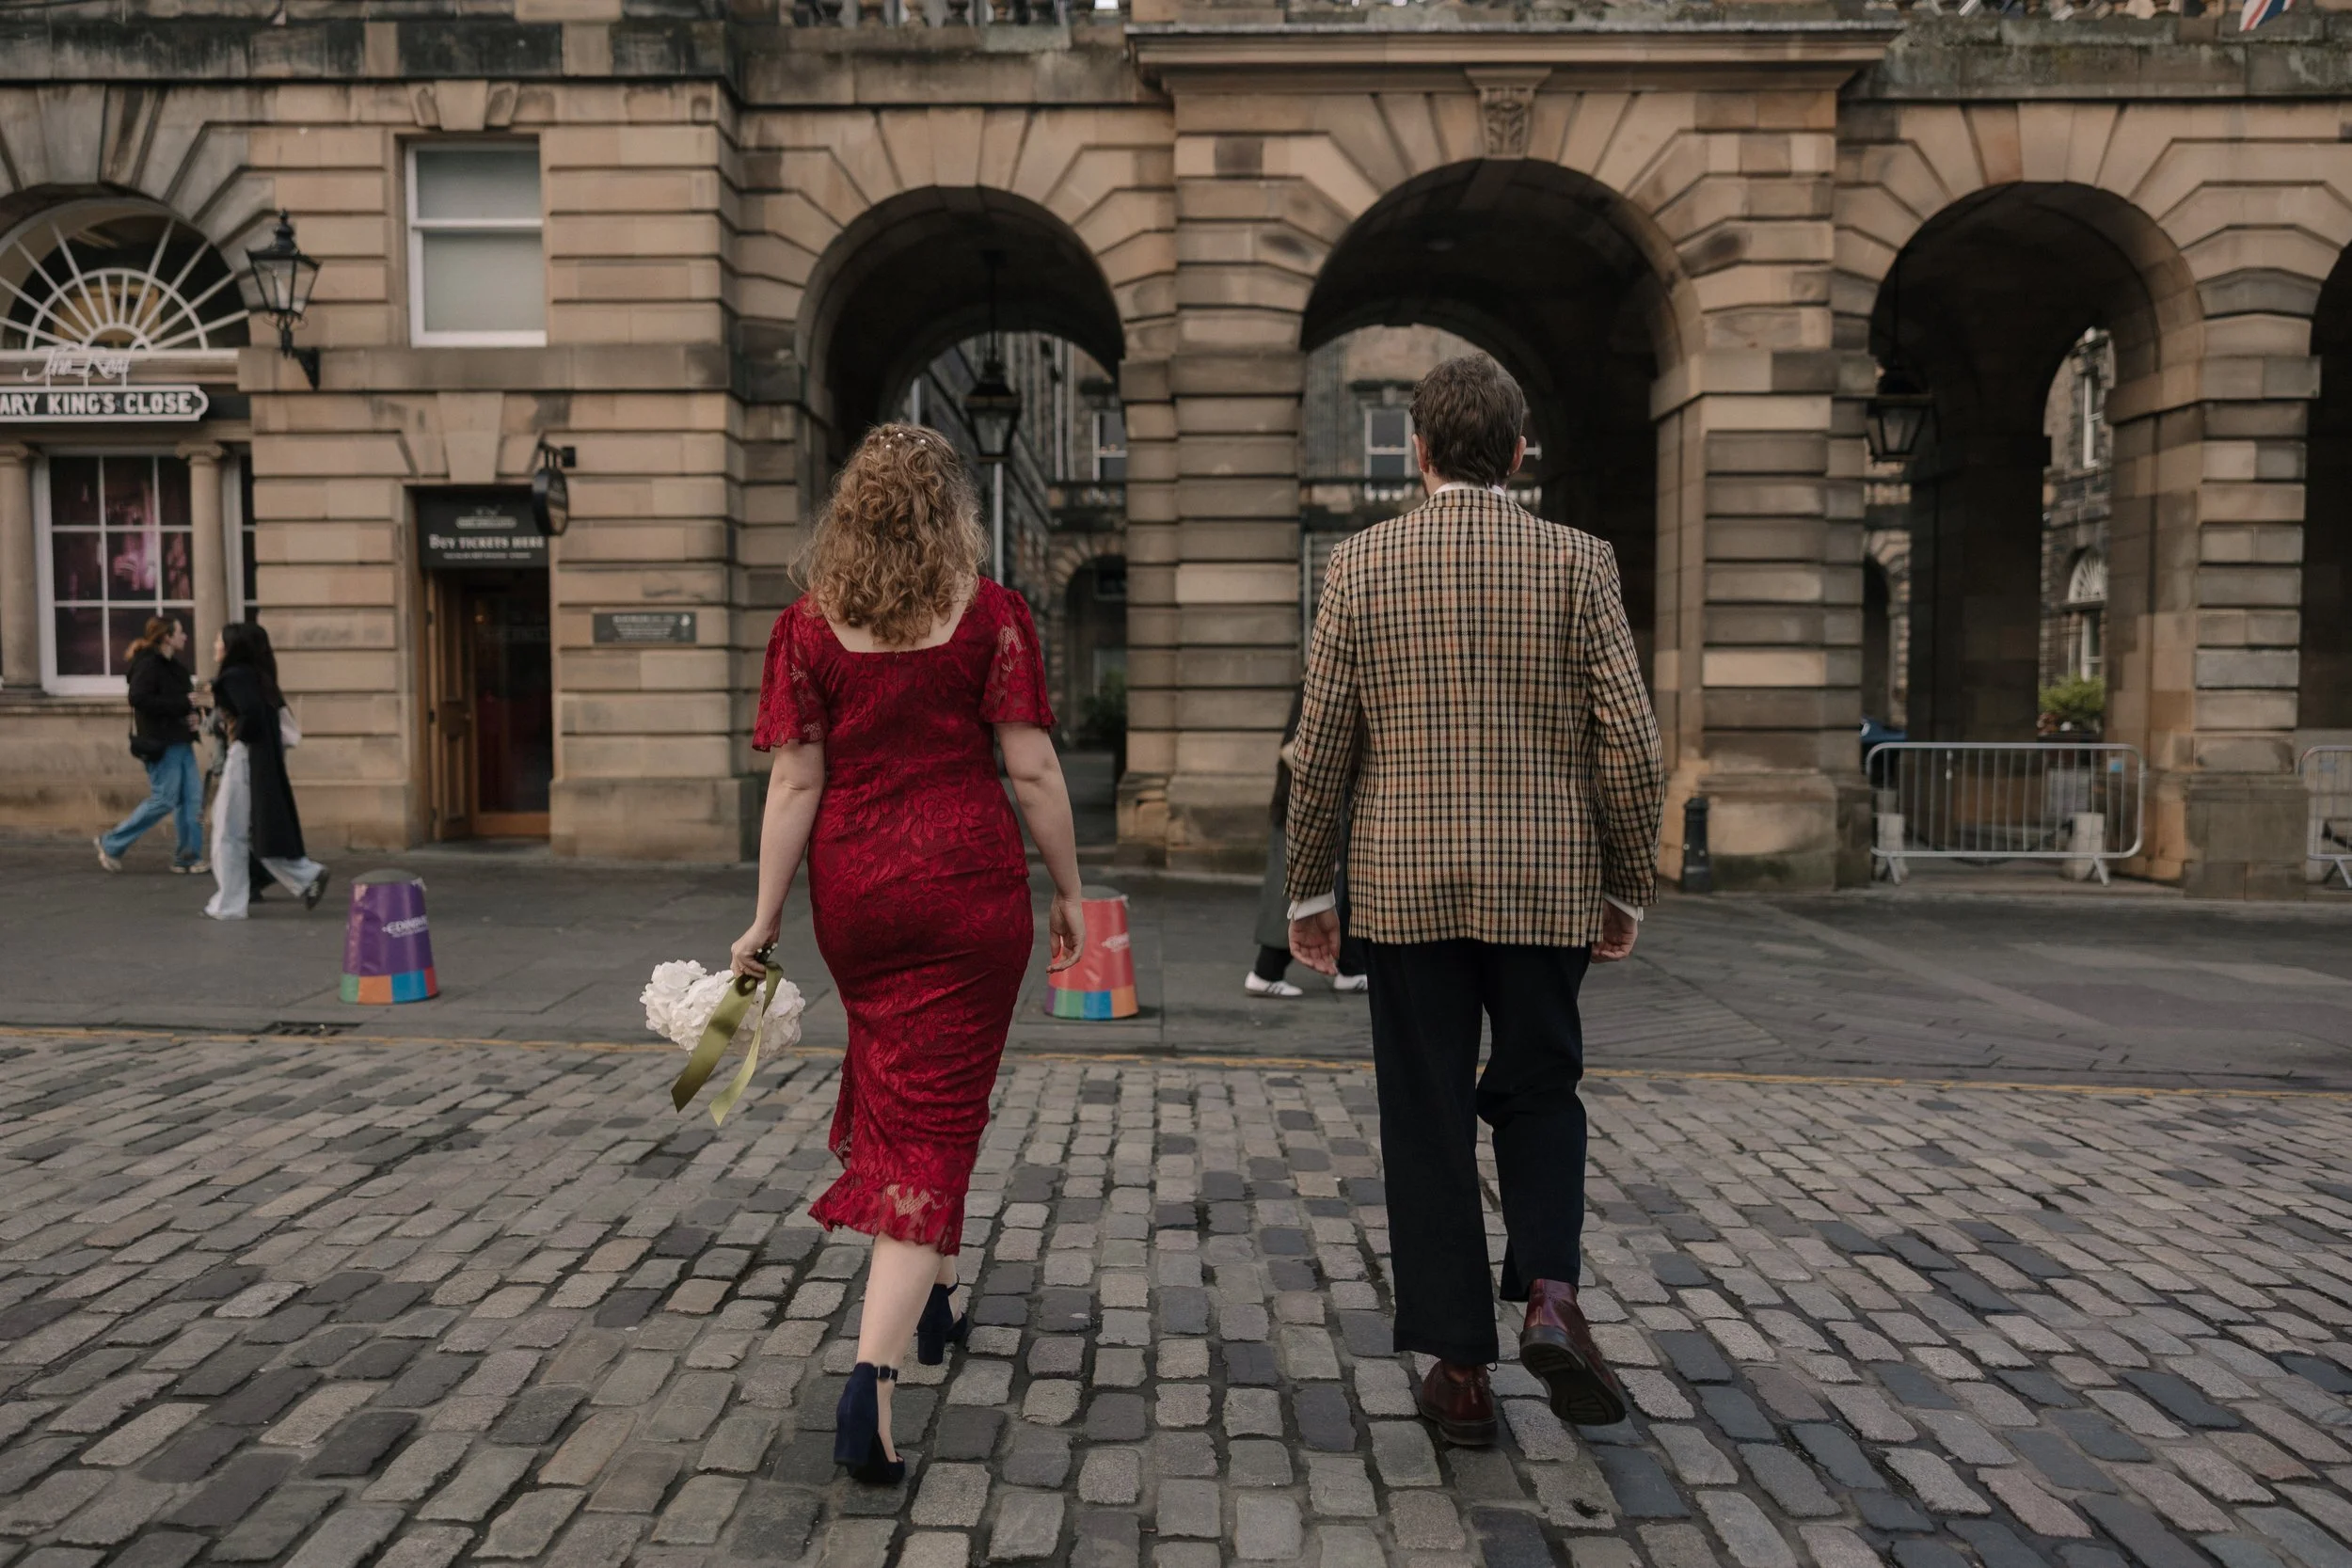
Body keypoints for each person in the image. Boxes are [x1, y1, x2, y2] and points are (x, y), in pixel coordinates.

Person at [1284, 355, 1664, 1447]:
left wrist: (1308, 889)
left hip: (1404, 884)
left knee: (1427, 1111)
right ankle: (1549, 1291)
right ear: (1517, 449)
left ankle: (1458, 1372)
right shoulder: (1579, 561)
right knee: (1542, 1085)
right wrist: (1625, 882)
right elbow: (1631, 743)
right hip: (1545, 880)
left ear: (1418, 451)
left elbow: (1323, 746)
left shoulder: (1360, 564)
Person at [730, 423, 1086, 1486]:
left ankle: (939, 1299)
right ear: (949, 513)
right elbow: (1032, 769)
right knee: (936, 1117)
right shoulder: (993, 615)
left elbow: (795, 782)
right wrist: (1071, 889)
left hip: (861, 899)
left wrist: (764, 917)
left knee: (921, 1096)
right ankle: (871, 1381)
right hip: (970, 891)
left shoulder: (806, 628)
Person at [203, 622, 330, 920]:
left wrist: (235, 732)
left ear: (232, 646)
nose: (215, 644)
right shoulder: (259, 676)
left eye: (220, 640)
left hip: (244, 756)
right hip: (258, 757)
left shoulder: (234, 677)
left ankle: (230, 903)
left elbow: (250, 715)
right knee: (252, 828)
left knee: (228, 831)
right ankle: (304, 875)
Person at [1248, 686, 1366, 997]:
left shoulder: (1320, 683)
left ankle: (1352, 966)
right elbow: (1305, 750)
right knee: (1297, 891)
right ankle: (1266, 971)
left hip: (1317, 800)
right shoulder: (1324, 684)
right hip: (1308, 803)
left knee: (1340, 887)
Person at [94, 615, 208, 876]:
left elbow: (187, 702)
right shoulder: (148, 665)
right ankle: (111, 842)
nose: (185, 636)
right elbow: (138, 698)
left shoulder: (175, 667)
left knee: (191, 801)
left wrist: (195, 716)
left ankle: (187, 857)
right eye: (180, 632)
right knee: (164, 800)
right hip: (160, 743)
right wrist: (180, 705)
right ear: (167, 637)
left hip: (181, 740)